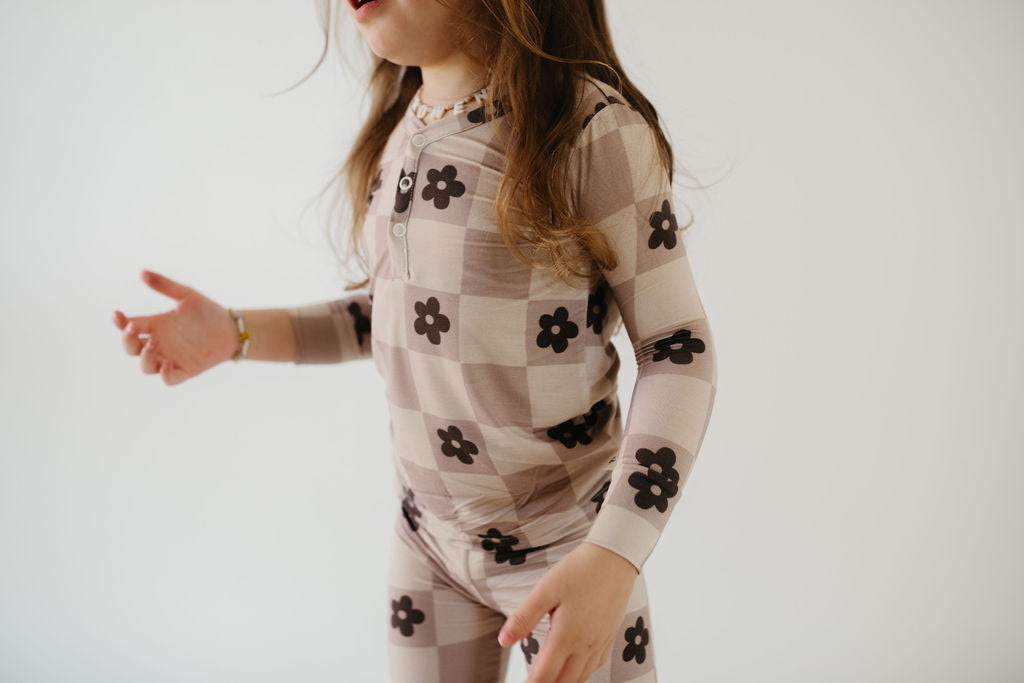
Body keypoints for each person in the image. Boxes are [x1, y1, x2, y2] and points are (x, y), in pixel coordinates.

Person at [112, 0, 718, 680]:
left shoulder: (589, 128)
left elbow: (677, 347)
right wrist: (238, 331)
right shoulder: (402, 130)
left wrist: (615, 553)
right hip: (427, 542)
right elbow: (389, 316)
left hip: (569, 545)